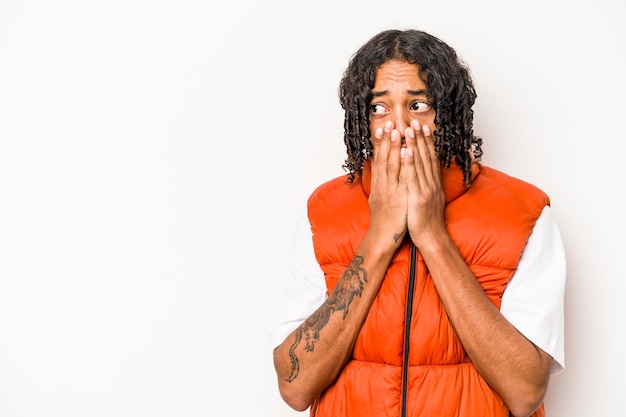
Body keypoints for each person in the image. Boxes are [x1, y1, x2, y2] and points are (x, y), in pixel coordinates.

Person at [271, 29, 565, 417]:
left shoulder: (522, 213)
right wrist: (379, 238)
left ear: (448, 112)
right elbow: (295, 386)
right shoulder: (322, 213)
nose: (399, 127)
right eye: (379, 108)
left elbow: (526, 393)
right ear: (362, 119)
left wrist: (431, 234)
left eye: (418, 105)